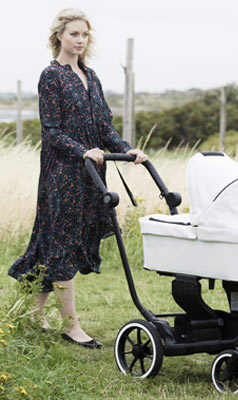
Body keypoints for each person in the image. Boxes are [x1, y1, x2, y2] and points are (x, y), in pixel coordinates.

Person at [7, 8, 148, 349]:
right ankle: (71, 325)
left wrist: (127, 150)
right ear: (59, 36)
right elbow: (51, 130)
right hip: (63, 173)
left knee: (54, 239)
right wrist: (82, 149)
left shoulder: (91, 75)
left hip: (91, 172)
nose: (80, 40)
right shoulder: (51, 75)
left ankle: (31, 315)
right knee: (63, 242)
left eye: (84, 34)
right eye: (74, 34)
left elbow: (103, 127)